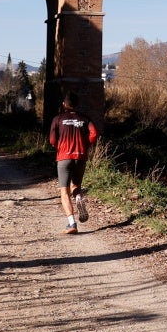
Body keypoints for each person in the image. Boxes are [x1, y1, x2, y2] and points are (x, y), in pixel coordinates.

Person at [48, 91, 99, 234]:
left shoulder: (57, 119)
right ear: (77, 105)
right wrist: (85, 145)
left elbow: (52, 140)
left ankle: (72, 224)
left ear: (64, 104)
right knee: (76, 185)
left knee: (64, 191)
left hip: (64, 157)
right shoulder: (85, 119)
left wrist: (59, 146)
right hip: (80, 156)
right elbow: (94, 133)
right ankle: (79, 198)